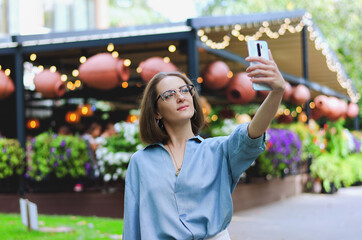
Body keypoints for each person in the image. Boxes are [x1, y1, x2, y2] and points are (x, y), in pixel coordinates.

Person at [123, 50, 285, 239]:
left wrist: (276, 92)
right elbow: (132, 226)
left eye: (185, 90)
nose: (181, 97)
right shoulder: (141, 162)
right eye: (169, 94)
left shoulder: (218, 150)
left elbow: (251, 134)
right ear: (156, 112)